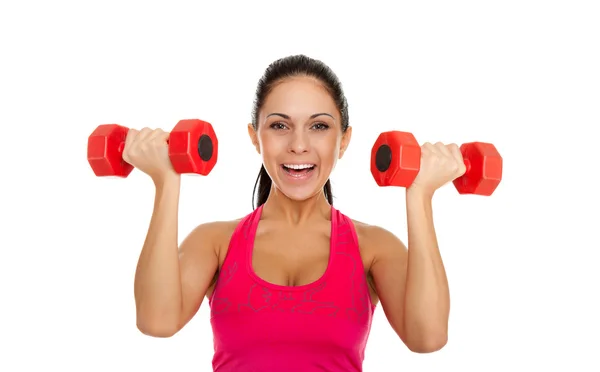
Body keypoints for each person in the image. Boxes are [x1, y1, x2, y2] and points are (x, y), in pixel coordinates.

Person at [125, 54, 466, 371]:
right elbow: (157, 321)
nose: (298, 145)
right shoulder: (216, 241)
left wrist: (420, 195)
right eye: (279, 126)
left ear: (344, 141)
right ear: (255, 138)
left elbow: (428, 337)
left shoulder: (372, 247)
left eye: (319, 126)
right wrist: (167, 181)